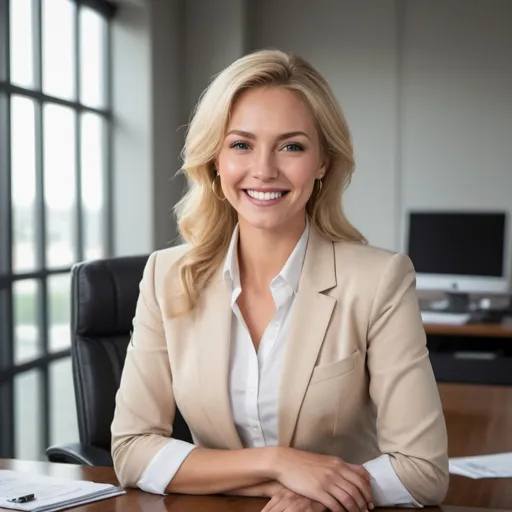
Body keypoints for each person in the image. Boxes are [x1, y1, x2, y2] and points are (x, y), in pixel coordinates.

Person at [111, 49, 449, 512]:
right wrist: (279, 465)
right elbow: (131, 450)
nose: (264, 170)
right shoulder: (166, 276)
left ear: (323, 162)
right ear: (215, 158)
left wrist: (320, 498)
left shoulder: (378, 280)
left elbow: (422, 472)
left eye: (291, 146)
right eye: (241, 144)